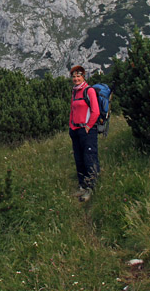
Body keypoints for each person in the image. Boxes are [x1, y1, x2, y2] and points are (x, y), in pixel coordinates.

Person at [68, 65, 99, 201]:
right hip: (75, 130)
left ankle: (91, 187)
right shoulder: (75, 92)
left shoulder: (89, 91)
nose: (76, 79)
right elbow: (72, 111)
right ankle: (82, 186)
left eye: (78, 76)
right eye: (74, 76)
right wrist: (71, 127)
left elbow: (96, 111)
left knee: (89, 158)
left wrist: (88, 126)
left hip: (87, 131)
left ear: (83, 76)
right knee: (79, 159)